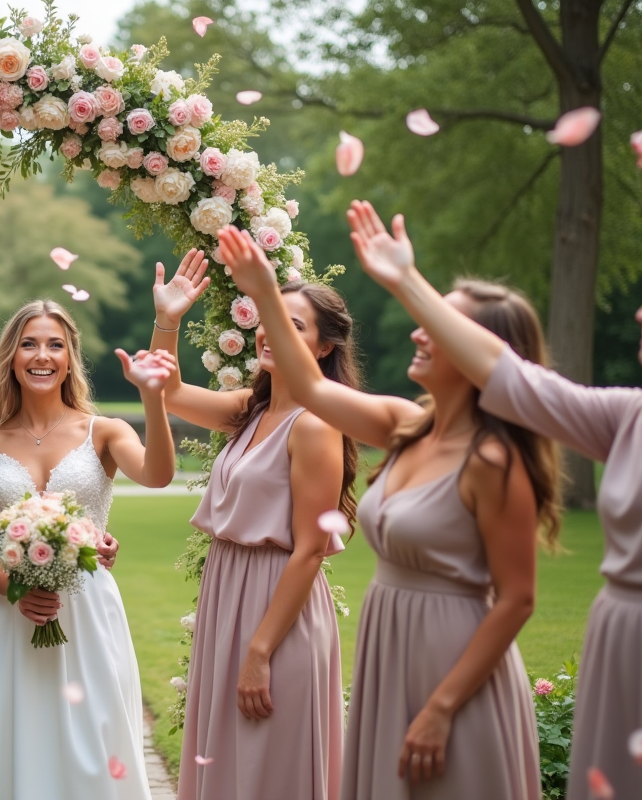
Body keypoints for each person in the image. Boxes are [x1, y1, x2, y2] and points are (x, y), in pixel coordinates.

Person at [219, 223, 558, 800]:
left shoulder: (494, 460)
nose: (420, 333)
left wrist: (443, 706)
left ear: (487, 351)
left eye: (441, 325)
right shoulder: (406, 424)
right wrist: (264, 292)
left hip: (453, 667)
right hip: (388, 654)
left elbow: (518, 600)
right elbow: (308, 383)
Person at [343, 199, 642, 799]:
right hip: (623, 636)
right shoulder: (627, 414)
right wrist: (404, 279)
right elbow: (514, 377)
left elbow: (518, 596)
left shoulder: (491, 461)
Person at [0, 299, 176, 800]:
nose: (42, 355)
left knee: (92, 744)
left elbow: (158, 475)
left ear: (71, 358)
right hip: (9, 616)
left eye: (55, 344)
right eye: (29, 343)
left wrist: (153, 398)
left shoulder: (104, 431)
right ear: (11, 355)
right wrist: (17, 590)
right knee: (9, 739)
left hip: (88, 614)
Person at [149, 249, 352, 800]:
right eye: (268, 318)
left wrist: (260, 652)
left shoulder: (315, 426)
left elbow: (310, 550)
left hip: (274, 611)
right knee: (229, 764)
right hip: (227, 598)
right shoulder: (251, 410)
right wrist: (168, 320)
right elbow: (167, 392)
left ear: (324, 346)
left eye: (292, 324)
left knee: (271, 767)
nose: (269, 332)